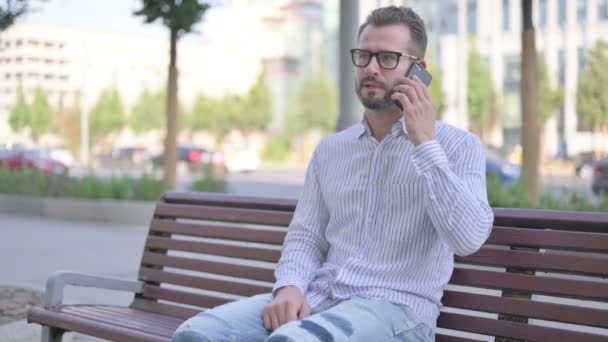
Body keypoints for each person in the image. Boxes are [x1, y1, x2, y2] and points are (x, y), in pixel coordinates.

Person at [171, 5, 494, 342]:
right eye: (363, 56)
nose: (370, 68)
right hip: (318, 299)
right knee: (195, 335)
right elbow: (306, 235)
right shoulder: (331, 151)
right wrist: (291, 286)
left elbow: (468, 238)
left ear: (418, 70)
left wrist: (424, 143)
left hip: (396, 312)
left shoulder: (459, 146)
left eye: (387, 58)